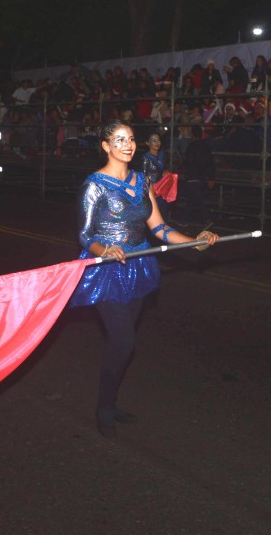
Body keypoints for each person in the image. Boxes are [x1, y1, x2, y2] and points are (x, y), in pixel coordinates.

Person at [70, 119, 217, 438]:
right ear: (106, 146)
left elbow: (160, 229)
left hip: (138, 266)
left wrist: (195, 241)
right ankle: (104, 408)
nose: (128, 144)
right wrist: (105, 248)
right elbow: (84, 235)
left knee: (120, 343)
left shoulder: (142, 181)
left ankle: (109, 400)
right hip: (106, 269)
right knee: (123, 340)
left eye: (131, 139)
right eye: (119, 140)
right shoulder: (94, 184)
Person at [140, 132, 170, 220]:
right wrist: (149, 191)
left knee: (163, 213)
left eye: (158, 140)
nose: (157, 143)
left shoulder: (162, 155)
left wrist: (165, 171)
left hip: (162, 189)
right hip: (152, 191)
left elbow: (164, 168)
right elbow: (143, 176)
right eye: (153, 140)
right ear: (147, 143)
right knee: (154, 216)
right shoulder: (146, 158)